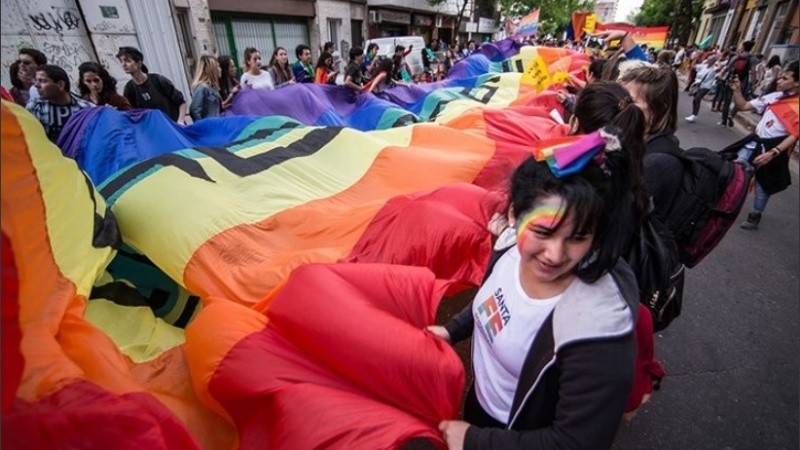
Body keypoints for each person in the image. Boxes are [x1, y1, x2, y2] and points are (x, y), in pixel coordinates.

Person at [428, 127, 642, 450]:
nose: (555, 255)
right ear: (514, 215)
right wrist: (452, 330)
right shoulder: (509, 245)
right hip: (481, 410)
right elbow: (492, 300)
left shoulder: (598, 329)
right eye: (543, 232)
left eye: (577, 238)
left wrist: (475, 442)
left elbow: (576, 442)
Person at [727, 60, 799, 230]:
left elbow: (795, 135)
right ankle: (727, 203)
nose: (779, 80)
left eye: (785, 78)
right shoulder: (774, 96)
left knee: (762, 186)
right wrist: (736, 91)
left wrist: (773, 153)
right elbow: (743, 106)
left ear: (797, 82)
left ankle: (755, 215)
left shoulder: (797, 106)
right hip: (754, 142)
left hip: (774, 149)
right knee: (736, 170)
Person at [618, 64, 685, 231]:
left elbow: (621, 224)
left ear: (656, 110)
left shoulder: (656, 162)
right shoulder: (639, 142)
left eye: (630, 101)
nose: (619, 106)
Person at [117, 46, 187, 124]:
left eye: (128, 61)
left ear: (139, 63)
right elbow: (130, 114)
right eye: (121, 61)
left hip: (172, 126)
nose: (123, 64)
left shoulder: (158, 80)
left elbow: (181, 102)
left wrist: (180, 121)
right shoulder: (129, 88)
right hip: (153, 131)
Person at [26, 64, 94, 143]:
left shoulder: (86, 109)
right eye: (37, 80)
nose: (36, 85)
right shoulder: (34, 107)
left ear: (60, 85)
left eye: (43, 81)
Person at [684, 55, 718, 123]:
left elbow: (720, 67)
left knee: (697, 98)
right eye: (708, 59)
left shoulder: (714, 69)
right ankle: (693, 115)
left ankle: (694, 115)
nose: (708, 61)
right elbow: (693, 66)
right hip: (698, 84)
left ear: (713, 61)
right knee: (695, 99)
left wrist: (718, 61)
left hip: (707, 86)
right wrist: (696, 57)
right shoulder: (703, 66)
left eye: (710, 60)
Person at [189, 55, 222, 121]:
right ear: (211, 69)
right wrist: (203, 127)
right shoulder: (202, 88)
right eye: (217, 66)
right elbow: (194, 110)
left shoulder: (213, 87)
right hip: (210, 127)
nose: (220, 69)